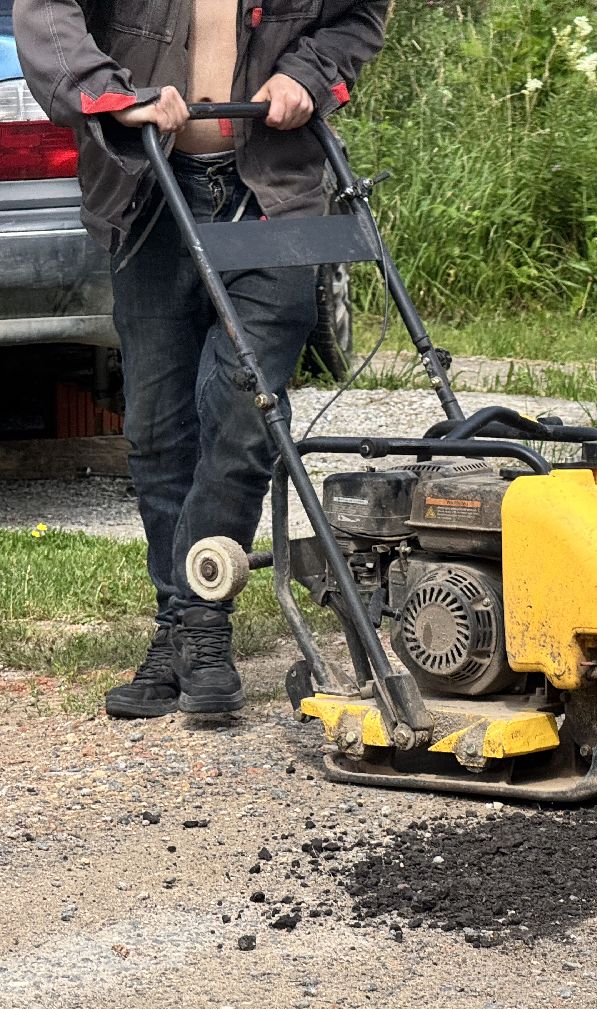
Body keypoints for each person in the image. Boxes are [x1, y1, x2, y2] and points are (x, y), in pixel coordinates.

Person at [14, 0, 389, 717]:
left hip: (276, 193)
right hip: (149, 189)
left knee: (244, 413)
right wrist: (110, 91)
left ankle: (202, 623)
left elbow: (360, 14)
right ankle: (176, 625)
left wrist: (306, 74)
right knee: (158, 425)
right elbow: (46, 11)